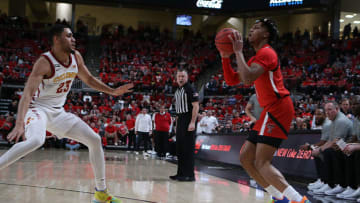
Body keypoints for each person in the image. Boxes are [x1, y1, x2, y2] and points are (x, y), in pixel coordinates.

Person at [4, 24, 133, 203]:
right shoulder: (44, 62)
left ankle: (101, 192)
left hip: (58, 112)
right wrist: (19, 123)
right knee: (36, 140)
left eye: (73, 36)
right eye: (69, 36)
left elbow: (88, 79)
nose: (74, 39)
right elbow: (26, 94)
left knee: (95, 140)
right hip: (37, 109)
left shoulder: (76, 57)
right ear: (57, 39)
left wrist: (112, 91)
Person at [220, 18, 308, 203]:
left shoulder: (267, 53)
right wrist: (225, 57)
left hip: (279, 107)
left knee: (262, 162)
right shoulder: (256, 57)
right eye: (251, 27)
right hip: (270, 110)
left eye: (257, 28)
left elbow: (247, 78)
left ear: (266, 34)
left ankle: (299, 200)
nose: (251, 30)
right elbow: (232, 80)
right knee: (245, 158)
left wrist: (237, 52)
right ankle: (278, 198)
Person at [170, 69, 199, 181]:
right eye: (179, 76)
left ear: (187, 77)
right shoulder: (178, 90)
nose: (181, 78)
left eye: (183, 76)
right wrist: (177, 124)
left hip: (188, 118)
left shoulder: (190, 88)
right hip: (180, 119)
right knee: (180, 148)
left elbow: (196, 106)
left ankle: (190, 175)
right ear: (176, 78)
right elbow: (178, 110)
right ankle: (181, 173)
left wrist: (192, 122)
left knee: (188, 148)